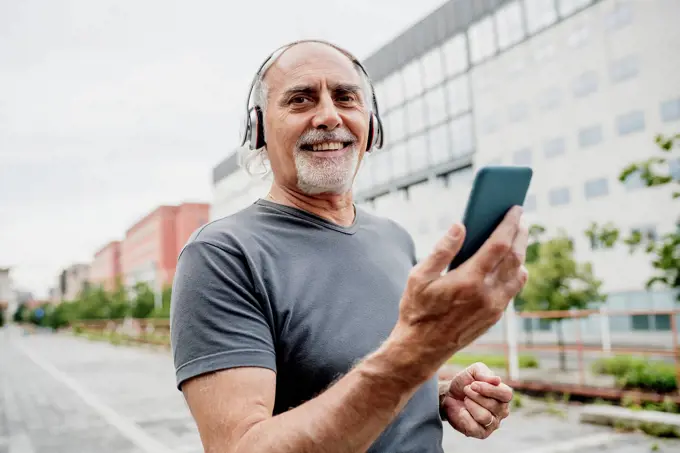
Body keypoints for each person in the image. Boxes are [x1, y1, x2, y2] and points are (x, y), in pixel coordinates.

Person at [170, 39, 529, 453]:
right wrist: (419, 351)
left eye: (345, 97)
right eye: (300, 100)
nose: (327, 116)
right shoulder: (221, 255)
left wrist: (441, 391)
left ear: (371, 125)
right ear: (259, 130)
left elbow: (377, 371)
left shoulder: (394, 238)